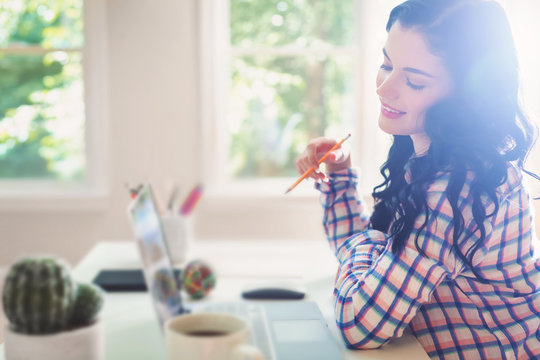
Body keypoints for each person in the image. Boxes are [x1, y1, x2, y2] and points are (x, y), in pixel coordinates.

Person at [294, 1, 540, 359]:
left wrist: (371, 243)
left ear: (467, 94)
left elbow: (358, 323)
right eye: (386, 64)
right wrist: (340, 172)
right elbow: (373, 266)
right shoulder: (429, 152)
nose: (384, 89)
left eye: (414, 81)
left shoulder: (460, 185)